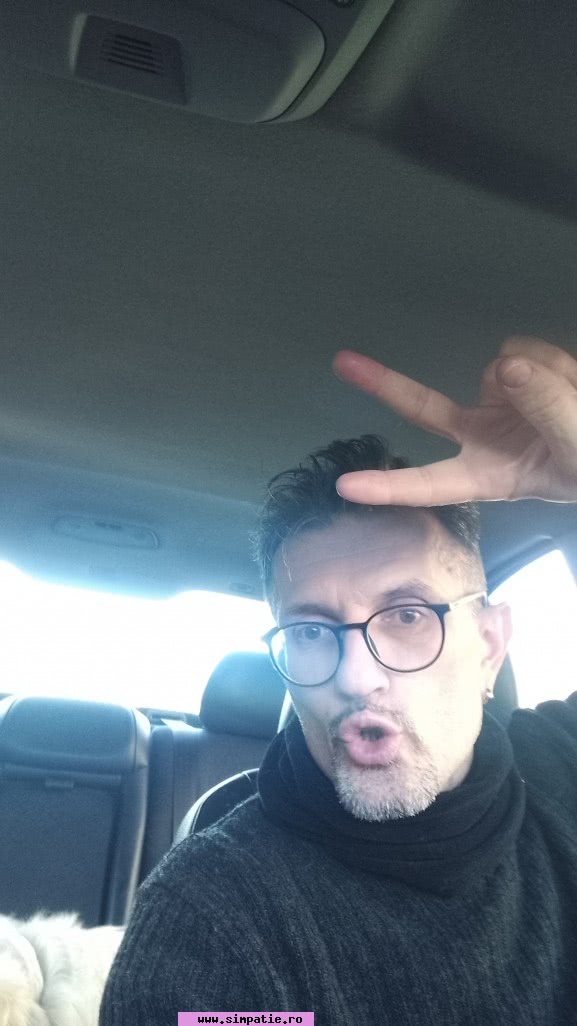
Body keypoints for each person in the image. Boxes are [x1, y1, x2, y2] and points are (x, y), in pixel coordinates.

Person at [99, 336, 577, 1026]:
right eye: (310, 631)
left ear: (489, 646)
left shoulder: (562, 769)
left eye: (408, 615)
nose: (356, 677)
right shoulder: (212, 917)